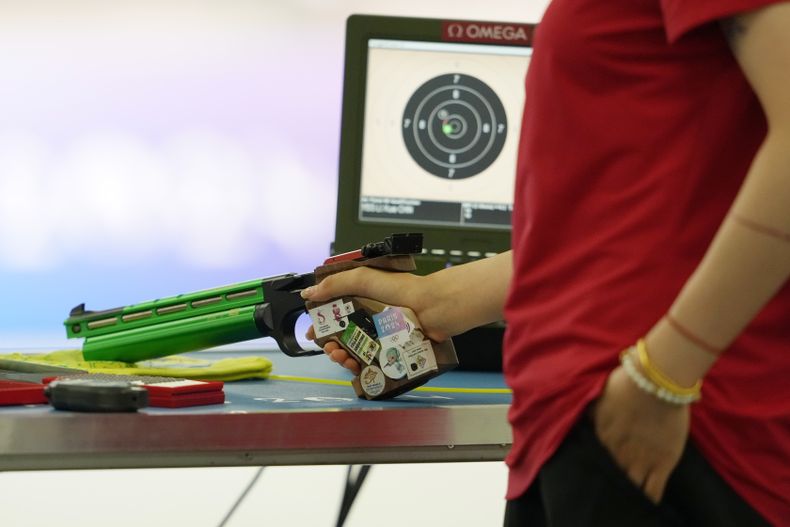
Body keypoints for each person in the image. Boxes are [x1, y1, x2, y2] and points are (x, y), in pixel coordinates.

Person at [303, 1, 790, 525]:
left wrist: (662, 377)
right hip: (586, 420)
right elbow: (617, 237)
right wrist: (434, 302)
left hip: (677, 427)